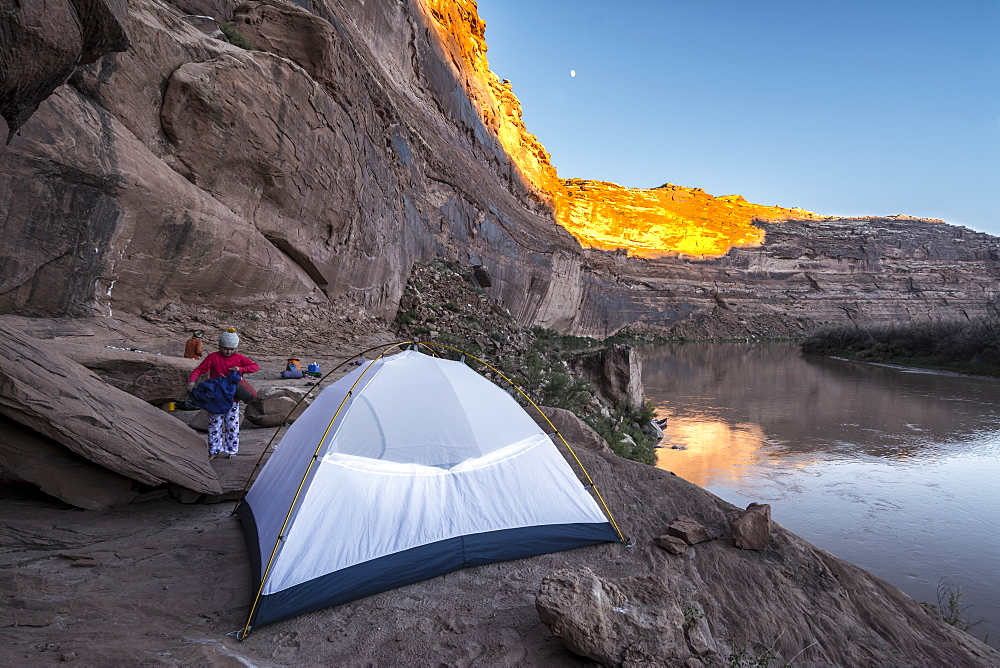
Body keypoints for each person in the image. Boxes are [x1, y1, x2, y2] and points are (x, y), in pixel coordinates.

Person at [187, 328, 260, 459]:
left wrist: (240, 369)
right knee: (214, 425)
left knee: (232, 426)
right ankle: (214, 450)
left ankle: (232, 451)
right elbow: (199, 370)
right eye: (225, 348)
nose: (229, 352)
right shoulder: (213, 357)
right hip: (216, 397)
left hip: (233, 398)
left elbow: (255, 366)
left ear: (236, 348)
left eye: (232, 349)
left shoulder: (240, 358)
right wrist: (192, 382)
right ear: (220, 346)